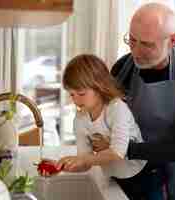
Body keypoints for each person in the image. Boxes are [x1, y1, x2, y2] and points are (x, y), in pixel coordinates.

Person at [94, 3, 175, 200]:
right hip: (140, 172)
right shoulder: (122, 69)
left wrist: (124, 148)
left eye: (147, 44)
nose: (136, 52)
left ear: (173, 40)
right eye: (132, 41)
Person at [44, 54, 164, 200]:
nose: (75, 100)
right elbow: (85, 162)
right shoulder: (80, 120)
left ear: (99, 86)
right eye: (72, 94)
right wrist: (62, 166)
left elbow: (117, 153)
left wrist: (84, 159)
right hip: (116, 177)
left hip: (144, 175)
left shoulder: (117, 108)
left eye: (81, 93)